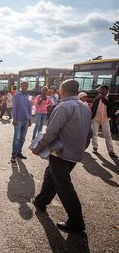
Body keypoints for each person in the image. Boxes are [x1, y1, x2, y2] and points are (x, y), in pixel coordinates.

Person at [32, 79, 92, 232]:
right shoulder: (85, 107)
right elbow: (89, 133)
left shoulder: (64, 106)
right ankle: (41, 201)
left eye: (59, 89)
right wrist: (81, 148)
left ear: (64, 90)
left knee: (64, 186)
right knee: (50, 175)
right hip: (74, 153)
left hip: (61, 153)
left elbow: (51, 132)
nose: (58, 91)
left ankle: (76, 220)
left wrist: (38, 147)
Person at [90, 85, 117, 158]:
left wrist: (104, 99)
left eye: (101, 89)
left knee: (107, 135)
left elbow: (112, 106)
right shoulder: (98, 97)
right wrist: (91, 117)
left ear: (106, 90)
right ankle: (95, 148)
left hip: (105, 119)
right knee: (94, 133)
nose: (100, 91)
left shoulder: (110, 97)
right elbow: (93, 108)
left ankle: (111, 151)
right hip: (96, 118)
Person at [11, 81, 32, 163]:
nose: (25, 87)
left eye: (26, 86)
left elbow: (29, 108)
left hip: (26, 120)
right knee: (16, 138)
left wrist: (29, 119)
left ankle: (19, 153)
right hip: (18, 120)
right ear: (20, 86)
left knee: (22, 138)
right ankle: (13, 155)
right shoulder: (16, 96)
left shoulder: (28, 96)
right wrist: (14, 119)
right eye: (23, 86)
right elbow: (14, 108)